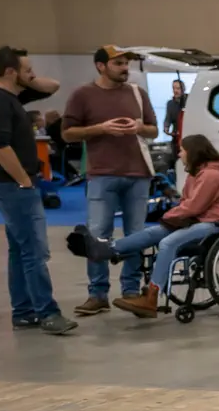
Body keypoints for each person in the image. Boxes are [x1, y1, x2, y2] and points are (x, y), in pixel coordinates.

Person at [75, 135, 219, 318]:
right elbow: (187, 204)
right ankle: (105, 249)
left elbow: (193, 206)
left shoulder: (211, 175)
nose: (180, 154)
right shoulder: (197, 173)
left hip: (215, 224)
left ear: (193, 152)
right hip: (197, 220)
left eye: (182, 150)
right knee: (152, 233)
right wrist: (172, 218)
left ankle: (151, 297)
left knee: (168, 242)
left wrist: (168, 216)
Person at [0, 46, 75, 335]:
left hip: (13, 183)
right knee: (35, 250)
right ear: (11, 72)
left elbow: (53, 86)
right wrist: (24, 181)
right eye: (28, 69)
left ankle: (23, 311)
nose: (34, 74)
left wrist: (26, 79)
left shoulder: (11, 95)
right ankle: (47, 312)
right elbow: (0, 148)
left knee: (19, 249)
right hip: (12, 185)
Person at [62, 46, 158, 316]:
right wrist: (100, 129)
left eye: (126, 62)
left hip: (138, 174)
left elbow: (153, 129)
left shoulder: (138, 94)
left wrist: (139, 128)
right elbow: (67, 133)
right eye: (118, 63)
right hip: (102, 174)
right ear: (100, 66)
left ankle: (130, 291)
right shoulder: (82, 95)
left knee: (136, 235)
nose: (125, 67)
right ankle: (98, 294)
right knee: (97, 234)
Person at [163, 78, 187, 161]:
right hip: (176, 136)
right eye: (174, 88)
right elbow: (168, 118)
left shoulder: (189, 100)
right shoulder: (170, 103)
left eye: (178, 88)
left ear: (183, 89)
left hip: (187, 136)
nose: (175, 91)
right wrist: (166, 127)